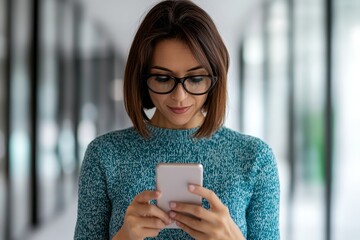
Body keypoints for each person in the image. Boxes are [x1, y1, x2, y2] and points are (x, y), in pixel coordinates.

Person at [74, 0, 280, 239]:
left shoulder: (256, 159)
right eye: (162, 79)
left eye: (195, 79)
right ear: (142, 79)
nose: (179, 96)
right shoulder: (104, 155)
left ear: (215, 78)